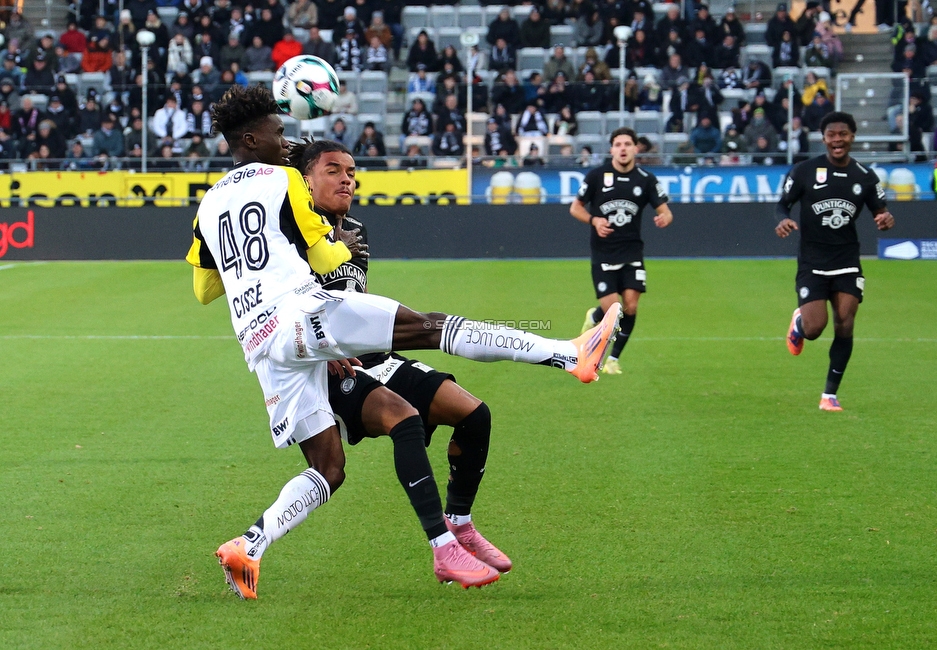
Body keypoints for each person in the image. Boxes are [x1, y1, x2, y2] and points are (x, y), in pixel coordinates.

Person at [187, 85, 621, 599]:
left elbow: (204, 289)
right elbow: (326, 263)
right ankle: (570, 355)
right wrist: (335, 245)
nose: (286, 142)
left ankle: (248, 546)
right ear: (252, 137)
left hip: (260, 345)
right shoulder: (283, 179)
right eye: (279, 134)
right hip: (301, 315)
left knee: (328, 467)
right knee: (429, 326)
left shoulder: (209, 203)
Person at [291, 136, 513, 580]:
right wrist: (320, 348)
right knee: (403, 420)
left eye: (352, 172)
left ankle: (461, 525)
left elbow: (355, 297)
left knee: (475, 415)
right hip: (328, 365)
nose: (347, 180)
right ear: (304, 179)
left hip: (374, 355)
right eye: (334, 171)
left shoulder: (356, 230)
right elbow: (285, 304)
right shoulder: (290, 234)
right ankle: (442, 548)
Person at [776, 111, 895, 411]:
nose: (837, 140)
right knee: (816, 329)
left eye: (843, 134)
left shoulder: (865, 177)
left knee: (845, 322)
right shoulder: (803, 171)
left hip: (847, 260)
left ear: (852, 137)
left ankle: (829, 395)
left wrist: (884, 218)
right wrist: (783, 220)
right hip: (813, 261)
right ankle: (801, 321)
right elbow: (782, 205)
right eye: (832, 135)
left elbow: (880, 210)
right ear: (823, 138)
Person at [570, 127, 674, 375]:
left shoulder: (646, 179)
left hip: (632, 252)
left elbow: (666, 211)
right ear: (611, 149)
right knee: (611, 310)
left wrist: (664, 219)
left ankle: (613, 358)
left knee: (630, 306)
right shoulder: (597, 176)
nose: (623, 148)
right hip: (604, 253)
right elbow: (575, 208)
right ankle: (595, 316)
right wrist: (594, 220)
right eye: (618, 144)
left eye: (628, 144)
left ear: (636, 148)